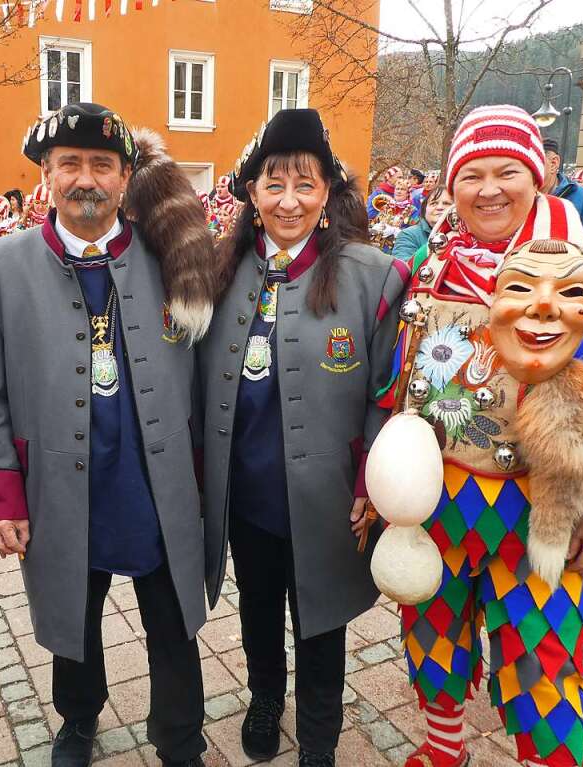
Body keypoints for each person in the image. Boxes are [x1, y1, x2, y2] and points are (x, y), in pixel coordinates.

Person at [385, 105, 583, 767]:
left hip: (546, 520)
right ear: (450, 187)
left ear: (537, 175)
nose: (489, 188)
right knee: (432, 638)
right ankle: (443, 747)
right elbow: (402, 384)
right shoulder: (434, 265)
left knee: (544, 667)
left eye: (506, 170)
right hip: (439, 511)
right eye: (471, 174)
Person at [0, 102, 220, 767]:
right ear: (45, 174)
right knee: (73, 617)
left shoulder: (174, 258)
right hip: (59, 479)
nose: (86, 179)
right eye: (69, 163)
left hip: (155, 479)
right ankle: (78, 720)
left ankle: (181, 736)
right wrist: (3, 496)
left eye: (102, 165)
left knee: (171, 622)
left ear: (126, 176)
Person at [199, 108, 408, 767]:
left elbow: (388, 389)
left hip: (329, 498)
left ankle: (319, 737)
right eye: (274, 184)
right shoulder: (217, 274)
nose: (289, 200)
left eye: (305, 183)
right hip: (249, 496)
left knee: (323, 622)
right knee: (258, 608)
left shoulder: (374, 276)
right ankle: (265, 696)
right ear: (252, 195)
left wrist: (377, 480)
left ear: (326, 194)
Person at [392, 185, 453, 262]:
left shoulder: (464, 234)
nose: (439, 207)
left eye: (446, 203)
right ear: (425, 210)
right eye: (433, 203)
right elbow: (403, 269)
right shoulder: (409, 235)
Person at [369, 176, 418, 255]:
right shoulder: (387, 207)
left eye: (402, 189)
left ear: (408, 193)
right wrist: (375, 227)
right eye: (397, 189)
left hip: (398, 251)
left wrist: (395, 231)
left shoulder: (412, 210)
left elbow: (415, 233)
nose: (399, 191)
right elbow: (374, 223)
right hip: (378, 250)